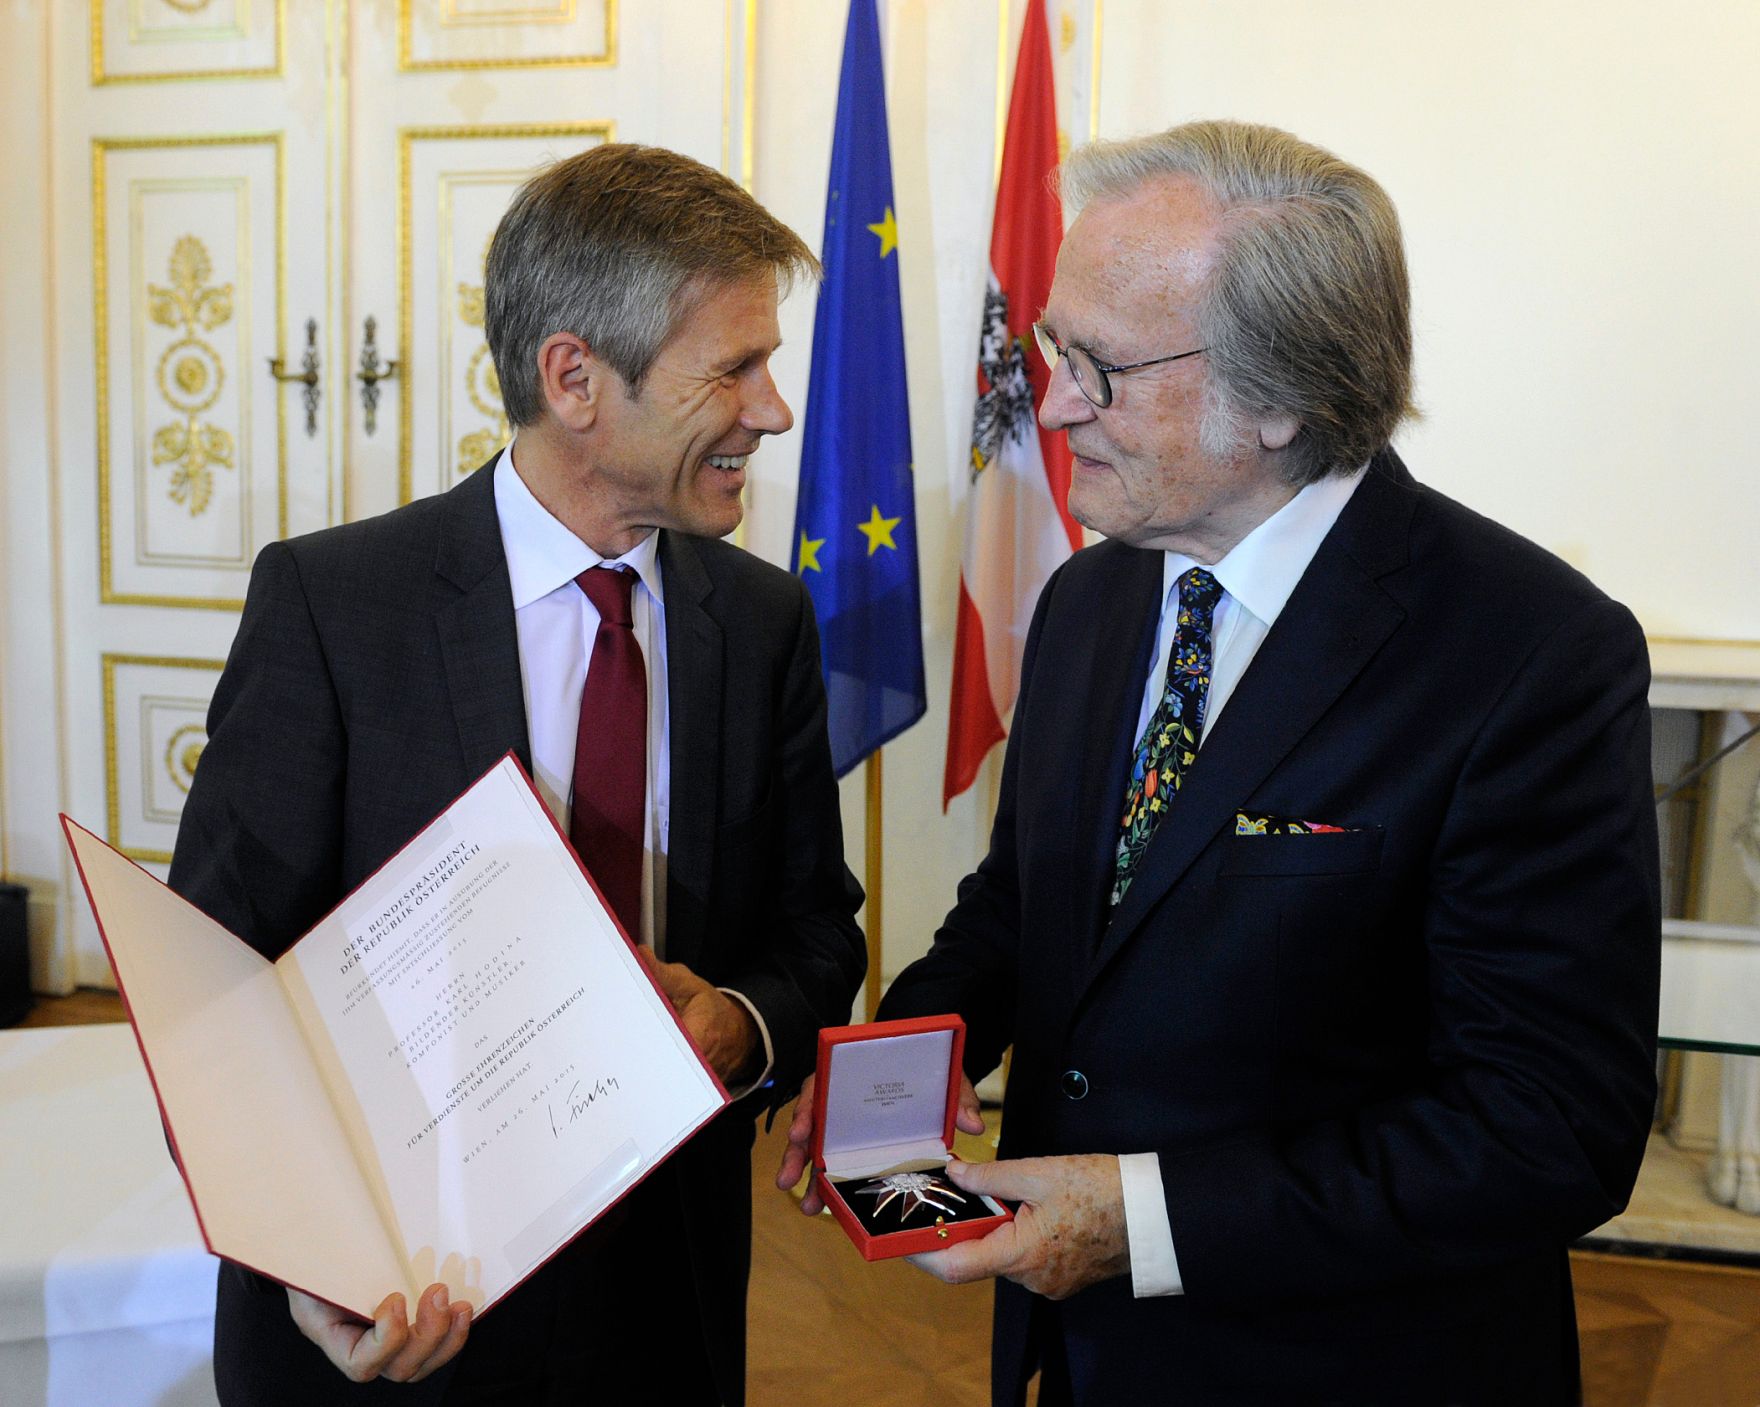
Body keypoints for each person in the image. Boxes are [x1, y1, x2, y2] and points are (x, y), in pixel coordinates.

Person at [779, 119, 1660, 1404]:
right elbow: (1033, 908)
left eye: (1101, 366)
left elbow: (1545, 1130)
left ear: (1283, 397)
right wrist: (894, 1071)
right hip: (1073, 1356)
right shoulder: (1089, 601)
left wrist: (1140, 1221)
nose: (1053, 400)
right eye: (1048, 344)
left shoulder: (1529, 654)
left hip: (1342, 1367)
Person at [171, 142, 866, 1406]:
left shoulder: (761, 623)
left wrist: (736, 1024)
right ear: (573, 377)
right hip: (392, 1313)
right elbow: (211, 986)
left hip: (666, 1300)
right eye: (735, 367)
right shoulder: (335, 606)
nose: (772, 411)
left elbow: (818, 932)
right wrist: (305, 1267)